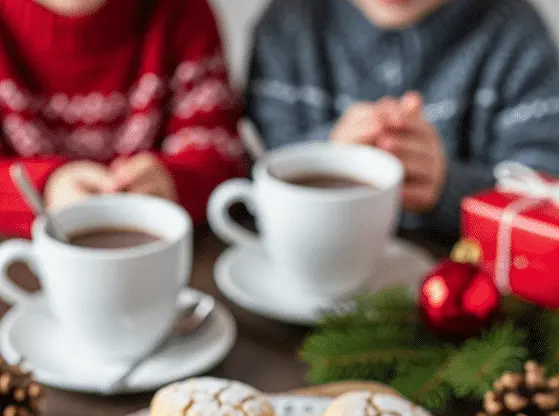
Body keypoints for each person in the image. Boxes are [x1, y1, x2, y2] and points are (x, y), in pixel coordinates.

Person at [248, 0, 559, 240]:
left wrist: (449, 189)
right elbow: (268, 163)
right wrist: (332, 157)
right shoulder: (288, 25)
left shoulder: (518, 36)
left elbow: (545, 197)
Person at [0, 0, 246, 236]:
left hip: (164, 245)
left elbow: (223, 157)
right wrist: (44, 191)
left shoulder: (182, 11)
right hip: (24, 252)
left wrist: (171, 180)